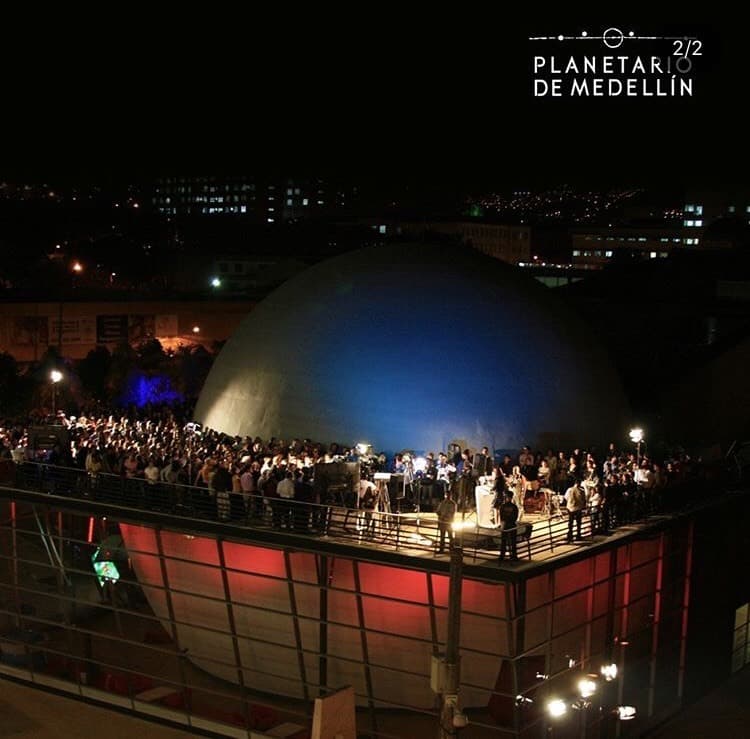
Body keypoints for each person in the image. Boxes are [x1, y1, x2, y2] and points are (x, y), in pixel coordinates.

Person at [498, 491, 519, 561]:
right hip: (512, 524)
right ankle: (514, 556)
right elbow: (516, 516)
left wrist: (502, 524)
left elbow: (501, 516)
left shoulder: (503, 506)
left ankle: (502, 556)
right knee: (513, 542)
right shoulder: (514, 507)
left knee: (504, 541)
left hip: (505, 525)